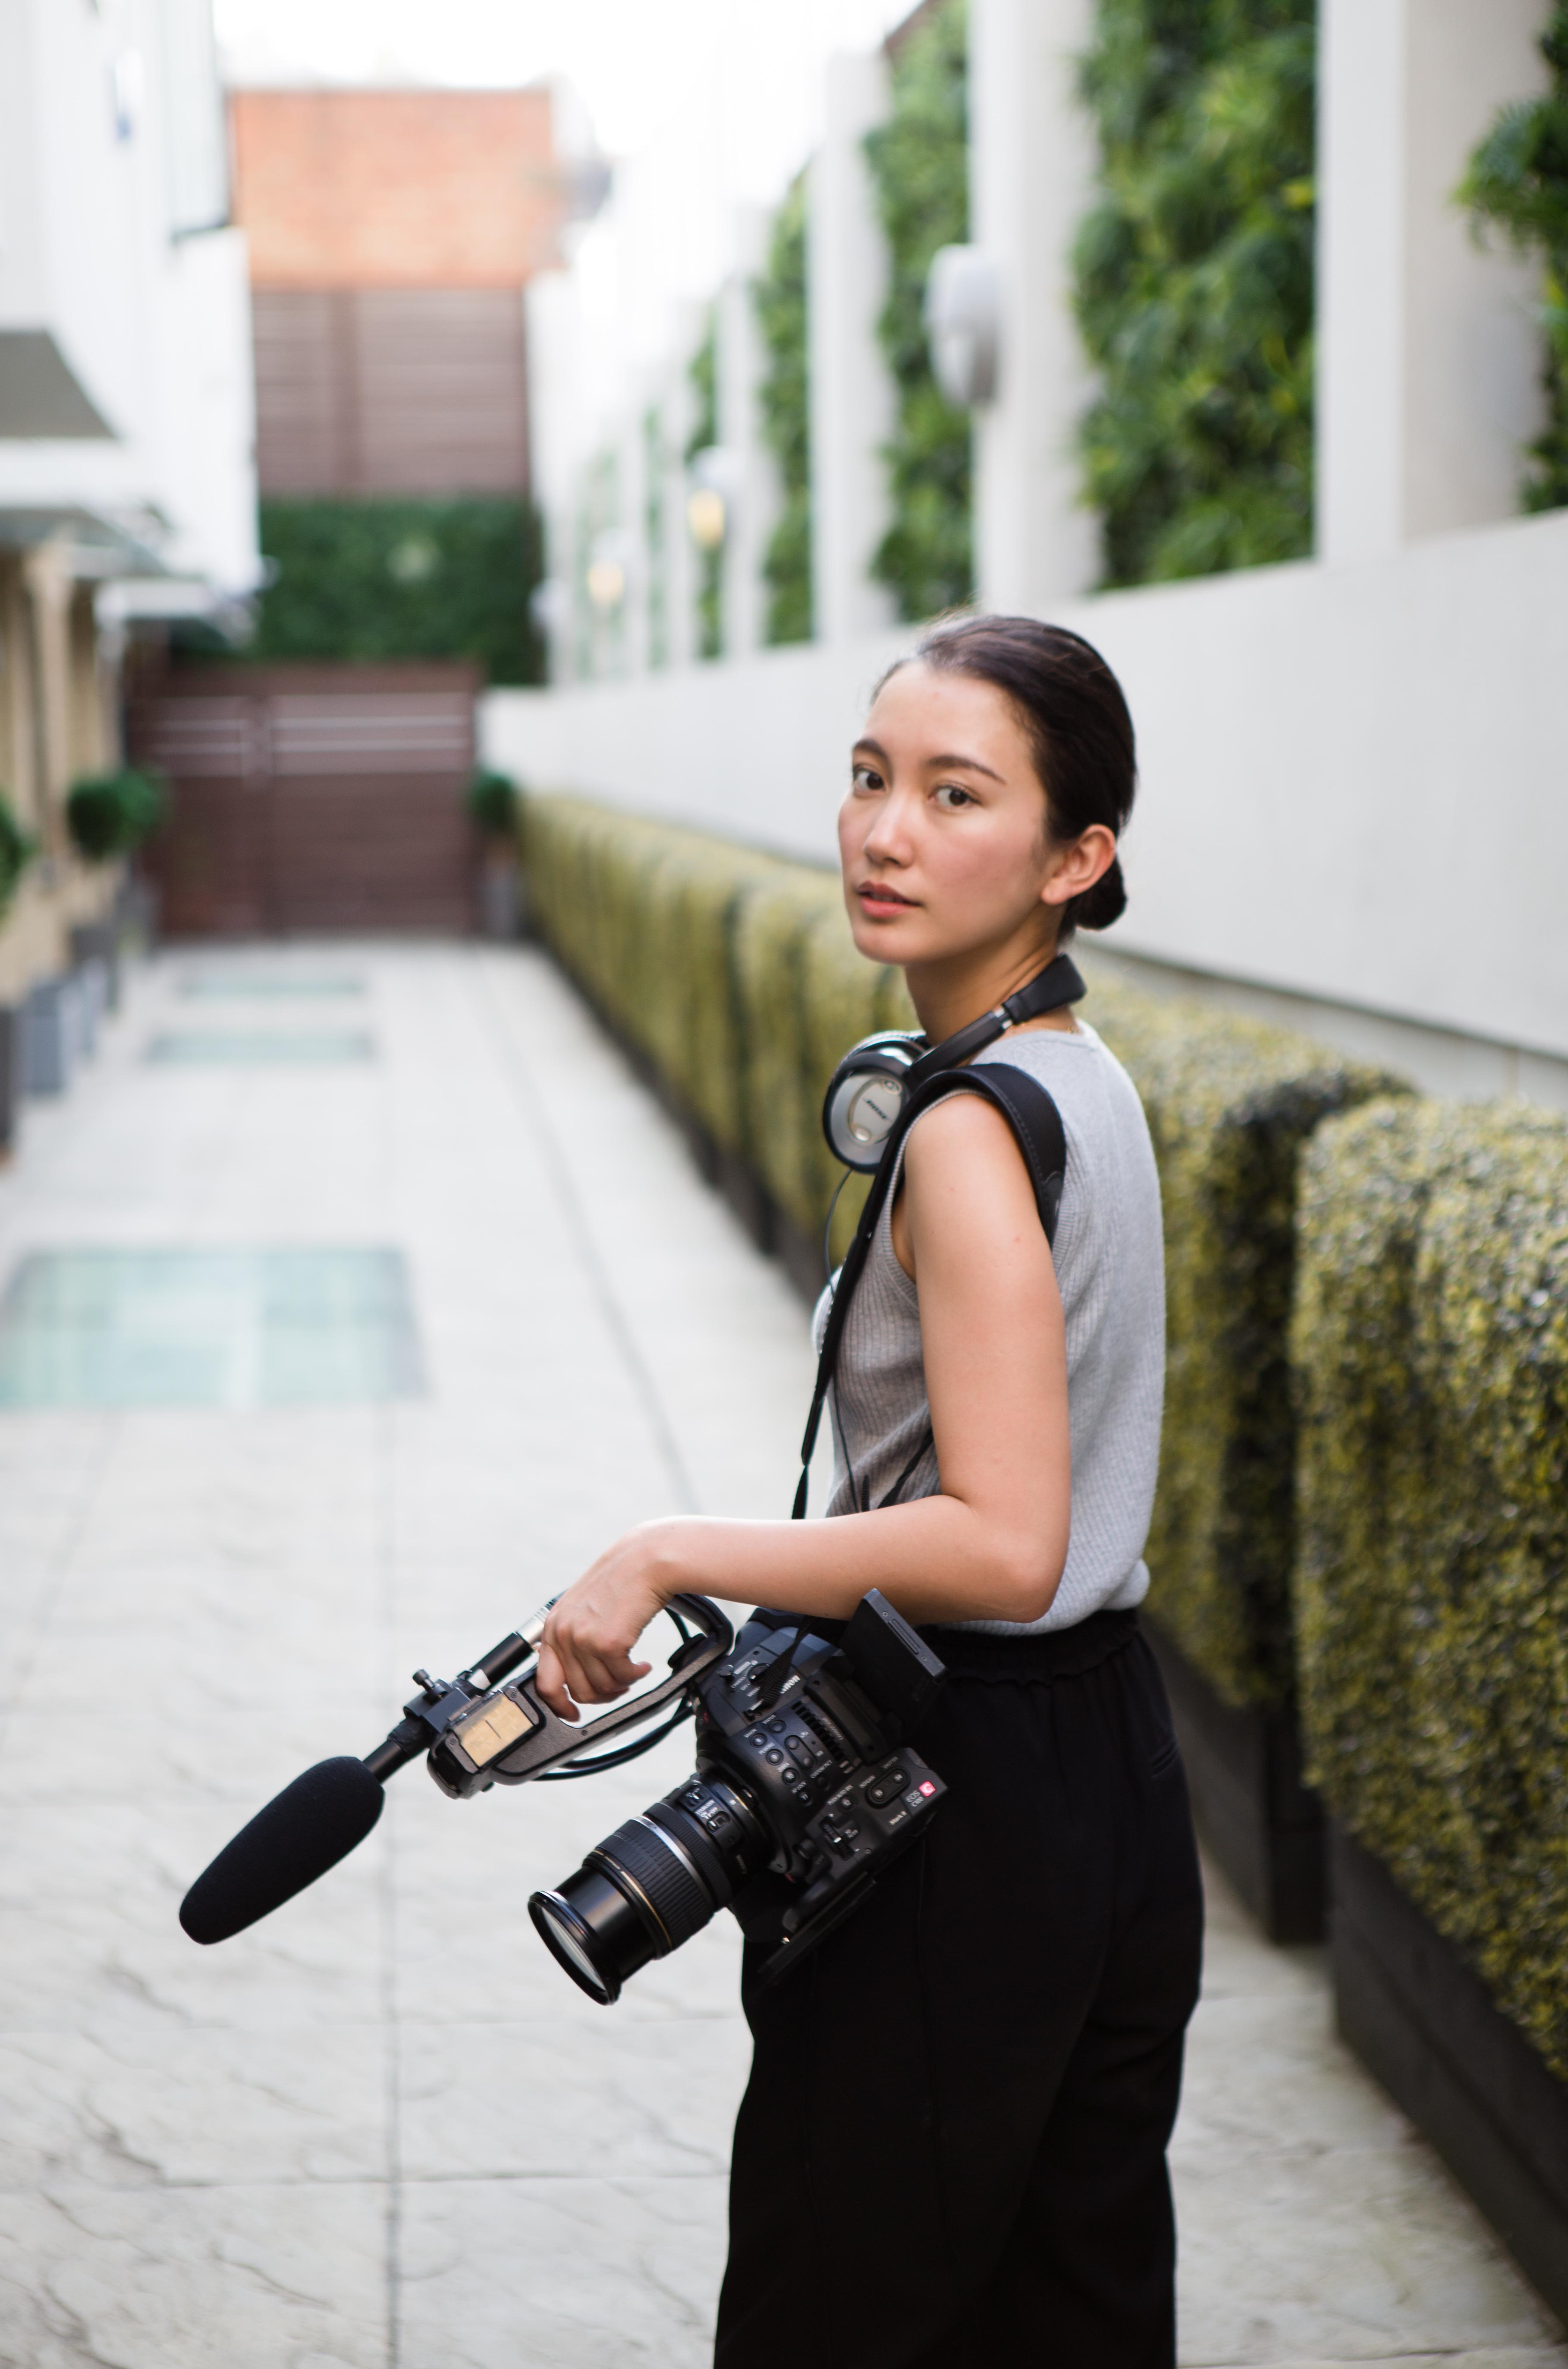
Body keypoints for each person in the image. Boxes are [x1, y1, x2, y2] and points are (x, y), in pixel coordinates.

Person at [536, 614, 1204, 2369]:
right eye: (868, 778)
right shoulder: (1083, 1081)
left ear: (1075, 858)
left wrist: (662, 1551)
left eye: (955, 795)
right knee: (1073, 2301)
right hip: (1107, 1765)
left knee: (839, 2306)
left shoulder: (972, 1130)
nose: (884, 832)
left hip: (957, 1781)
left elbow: (1006, 1540)